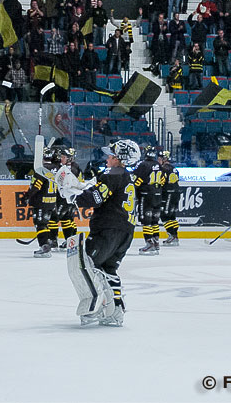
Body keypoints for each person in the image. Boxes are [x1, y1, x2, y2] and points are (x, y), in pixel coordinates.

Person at [58, 139, 140, 327]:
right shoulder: (125, 176)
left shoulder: (112, 174)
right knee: (109, 270)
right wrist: (79, 188)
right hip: (126, 232)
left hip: (108, 230)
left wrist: (72, 196)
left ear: (120, 159)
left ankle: (95, 308)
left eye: (111, 156)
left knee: (86, 264)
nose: (108, 159)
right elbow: (98, 190)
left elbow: (95, 197)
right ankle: (116, 311)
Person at [26, 146, 59, 258]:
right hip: (52, 201)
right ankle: (49, 242)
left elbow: (36, 186)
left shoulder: (41, 169)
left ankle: (45, 247)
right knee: (46, 224)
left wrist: (26, 197)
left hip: (41, 202)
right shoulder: (57, 168)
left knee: (41, 224)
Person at [134, 146, 164, 255]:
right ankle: (156, 242)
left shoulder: (143, 165)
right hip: (157, 195)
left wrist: (134, 191)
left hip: (146, 195)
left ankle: (149, 243)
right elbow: (162, 180)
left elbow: (137, 180)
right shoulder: (158, 165)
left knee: (146, 221)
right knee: (154, 220)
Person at [53, 146, 81, 250]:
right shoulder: (74, 166)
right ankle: (71, 241)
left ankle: (66, 241)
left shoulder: (70, 169)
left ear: (69, 158)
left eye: (64, 157)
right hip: (71, 197)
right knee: (68, 219)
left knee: (61, 218)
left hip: (66, 198)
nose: (61, 159)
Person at [158, 151, 180, 246]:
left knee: (165, 216)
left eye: (159, 159)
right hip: (176, 193)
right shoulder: (174, 168)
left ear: (164, 159)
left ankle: (172, 236)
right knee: (172, 216)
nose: (158, 160)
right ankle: (175, 236)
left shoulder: (163, 169)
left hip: (168, 194)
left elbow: (161, 182)